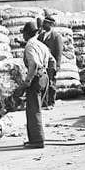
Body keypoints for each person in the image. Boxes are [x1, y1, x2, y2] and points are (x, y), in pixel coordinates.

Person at [22, 21, 54, 149]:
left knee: (33, 110)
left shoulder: (30, 46)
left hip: (36, 78)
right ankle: (36, 138)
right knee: (36, 108)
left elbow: (34, 64)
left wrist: (28, 81)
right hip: (44, 77)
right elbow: (52, 60)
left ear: (26, 34)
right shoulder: (42, 45)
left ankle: (37, 140)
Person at [36, 15, 64, 107]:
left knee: (51, 83)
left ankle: (51, 102)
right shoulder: (41, 36)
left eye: (46, 23)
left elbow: (59, 52)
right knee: (43, 82)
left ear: (51, 24)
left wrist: (58, 65)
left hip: (52, 63)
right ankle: (44, 102)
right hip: (43, 63)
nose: (43, 25)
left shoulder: (56, 36)